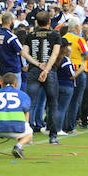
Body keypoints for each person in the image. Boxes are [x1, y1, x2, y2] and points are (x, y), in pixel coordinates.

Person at [20, 11, 61, 145]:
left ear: (36, 22)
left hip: (34, 70)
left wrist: (37, 64)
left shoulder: (30, 35)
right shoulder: (55, 34)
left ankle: (27, 135)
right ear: (49, 22)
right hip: (50, 72)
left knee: (29, 104)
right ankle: (53, 136)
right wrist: (47, 69)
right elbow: (54, 55)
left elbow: (24, 53)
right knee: (53, 103)